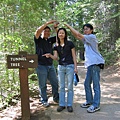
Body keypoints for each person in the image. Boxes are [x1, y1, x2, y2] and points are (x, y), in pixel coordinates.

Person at [65, 23, 105, 113]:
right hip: (90, 65)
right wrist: (70, 30)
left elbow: (78, 34)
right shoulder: (87, 39)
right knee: (87, 84)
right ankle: (89, 101)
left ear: (91, 30)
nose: (85, 30)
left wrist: (68, 26)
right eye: (84, 29)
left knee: (96, 85)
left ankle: (96, 105)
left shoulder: (91, 37)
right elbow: (77, 36)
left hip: (95, 64)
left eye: (87, 29)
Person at [43, 27, 78, 112]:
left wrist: (75, 67)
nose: (61, 34)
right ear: (57, 35)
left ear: (65, 34)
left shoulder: (70, 44)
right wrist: (50, 55)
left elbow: (74, 56)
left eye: (62, 33)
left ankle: (69, 105)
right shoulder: (56, 46)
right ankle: (62, 104)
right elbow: (56, 57)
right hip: (61, 67)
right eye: (59, 33)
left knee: (69, 87)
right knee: (61, 87)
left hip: (70, 66)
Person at [34, 20, 59, 107]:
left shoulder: (49, 40)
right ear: (42, 32)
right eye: (45, 31)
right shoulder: (38, 40)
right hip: (41, 65)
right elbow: (37, 31)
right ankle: (44, 100)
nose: (47, 32)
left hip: (50, 65)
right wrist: (48, 23)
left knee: (55, 82)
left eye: (48, 31)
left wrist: (56, 28)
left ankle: (56, 98)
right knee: (42, 84)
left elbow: (58, 37)